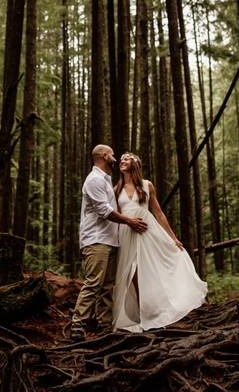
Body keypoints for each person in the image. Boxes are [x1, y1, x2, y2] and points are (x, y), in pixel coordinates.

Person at [112, 152, 207, 332]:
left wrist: (173, 237)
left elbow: (158, 213)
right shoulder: (117, 188)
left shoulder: (147, 185)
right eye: (122, 159)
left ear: (136, 163)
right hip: (127, 234)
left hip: (148, 232)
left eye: (127, 158)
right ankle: (143, 312)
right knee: (131, 275)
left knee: (150, 270)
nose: (122, 160)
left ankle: (157, 310)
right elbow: (116, 215)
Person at [70, 144, 148, 342]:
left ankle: (104, 324)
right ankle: (78, 324)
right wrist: (129, 221)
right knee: (94, 282)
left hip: (111, 240)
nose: (115, 157)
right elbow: (104, 211)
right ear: (105, 156)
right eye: (113, 154)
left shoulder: (105, 180)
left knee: (108, 285)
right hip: (96, 239)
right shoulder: (94, 180)